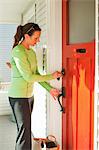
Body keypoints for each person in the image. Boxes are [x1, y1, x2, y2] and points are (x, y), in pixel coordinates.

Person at [8, 22, 62, 150]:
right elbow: (28, 77)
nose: (38, 41)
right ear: (26, 36)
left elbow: (36, 74)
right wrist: (52, 76)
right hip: (18, 98)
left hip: (29, 97)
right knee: (24, 132)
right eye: (35, 38)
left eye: (38, 38)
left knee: (26, 130)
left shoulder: (31, 53)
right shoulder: (18, 51)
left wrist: (50, 90)